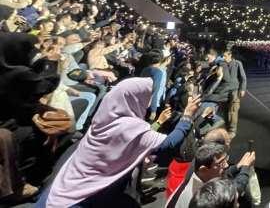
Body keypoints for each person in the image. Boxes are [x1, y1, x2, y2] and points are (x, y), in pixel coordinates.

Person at [38, 78, 200, 207]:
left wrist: (157, 122)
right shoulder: (128, 126)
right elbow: (168, 144)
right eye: (146, 98)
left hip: (65, 189)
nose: (148, 103)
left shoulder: (106, 116)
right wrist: (186, 117)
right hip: (83, 198)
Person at [168, 141, 255, 208]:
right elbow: (231, 192)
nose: (227, 165)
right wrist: (245, 169)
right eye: (221, 162)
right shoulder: (199, 195)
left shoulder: (200, 174)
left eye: (226, 159)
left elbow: (221, 173)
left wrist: (238, 166)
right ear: (204, 169)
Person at [221, 49, 247, 139]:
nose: (224, 58)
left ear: (230, 55)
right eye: (223, 56)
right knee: (225, 111)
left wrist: (242, 89)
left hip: (234, 91)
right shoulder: (221, 64)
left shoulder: (237, 63)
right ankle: (227, 128)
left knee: (233, 111)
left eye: (225, 56)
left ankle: (232, 130)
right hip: (224, 92)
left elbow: (243, 78)